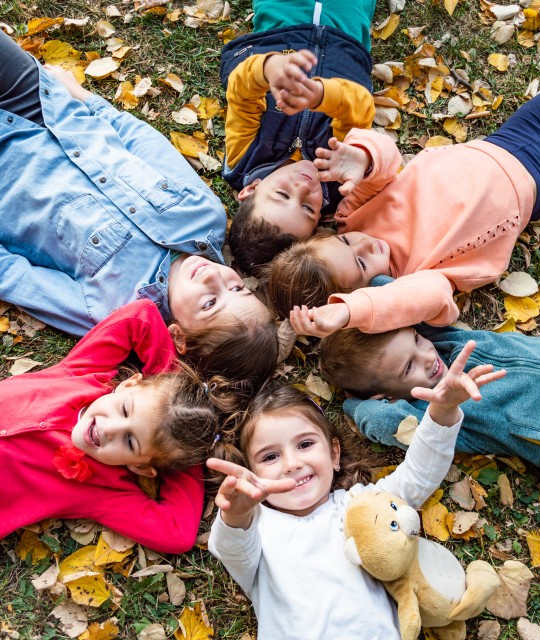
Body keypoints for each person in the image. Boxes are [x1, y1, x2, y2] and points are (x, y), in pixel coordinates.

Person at [0, 31, 277, 389]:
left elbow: (15, 277)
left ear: (178, 336)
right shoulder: (204, 216)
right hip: (41, 103)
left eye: (210, 303)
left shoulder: (111, 307)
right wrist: (82, 96)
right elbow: (140, 141)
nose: (215, 278)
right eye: (238, 289)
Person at [206, 342, 505, 639]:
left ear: (334, 454)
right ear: (253, 472)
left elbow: (417, 477)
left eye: (305, 444)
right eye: (270, 457)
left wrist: (443, 410)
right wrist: (237, 513)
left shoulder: (359, 505)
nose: (292, 463)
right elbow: (230, 549)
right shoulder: (258, 530)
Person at [266, 73, 540, 338]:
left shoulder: (352, 217)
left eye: (347, 243)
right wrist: (352, 311)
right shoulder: (412, 280)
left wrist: (364, 158)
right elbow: (429, 300)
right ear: (366, 290)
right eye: (363, 264)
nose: (367, 245)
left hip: (503, 141)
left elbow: (384, 162)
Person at [1, 299, 245, 553]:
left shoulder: (104, 491)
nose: (110, 428)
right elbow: (141, 315)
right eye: (124, 409)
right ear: (128, 384)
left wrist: (185, 455)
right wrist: (171, 391)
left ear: (140, 466)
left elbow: (176, 533)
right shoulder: (85, 374)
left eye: (130, 441)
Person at [319, 320, 540, 481]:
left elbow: (390, 289)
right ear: (388, 396)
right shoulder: (438, 418)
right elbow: (380, 419)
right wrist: (353, 403)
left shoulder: (445, 340)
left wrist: (350, 311)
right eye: (408, 367)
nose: (428, 357)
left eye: (416, 340)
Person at [221, 0, 376, 274]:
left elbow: (241, 91)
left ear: (251, 189)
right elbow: (360, 109)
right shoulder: (337, 179)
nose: (303, 187)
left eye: (281, 194)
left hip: (282, 27)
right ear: (319, 219)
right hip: (346, 38)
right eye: (307, 207)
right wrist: (321, 95)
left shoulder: (244, 156)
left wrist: (269, 68)